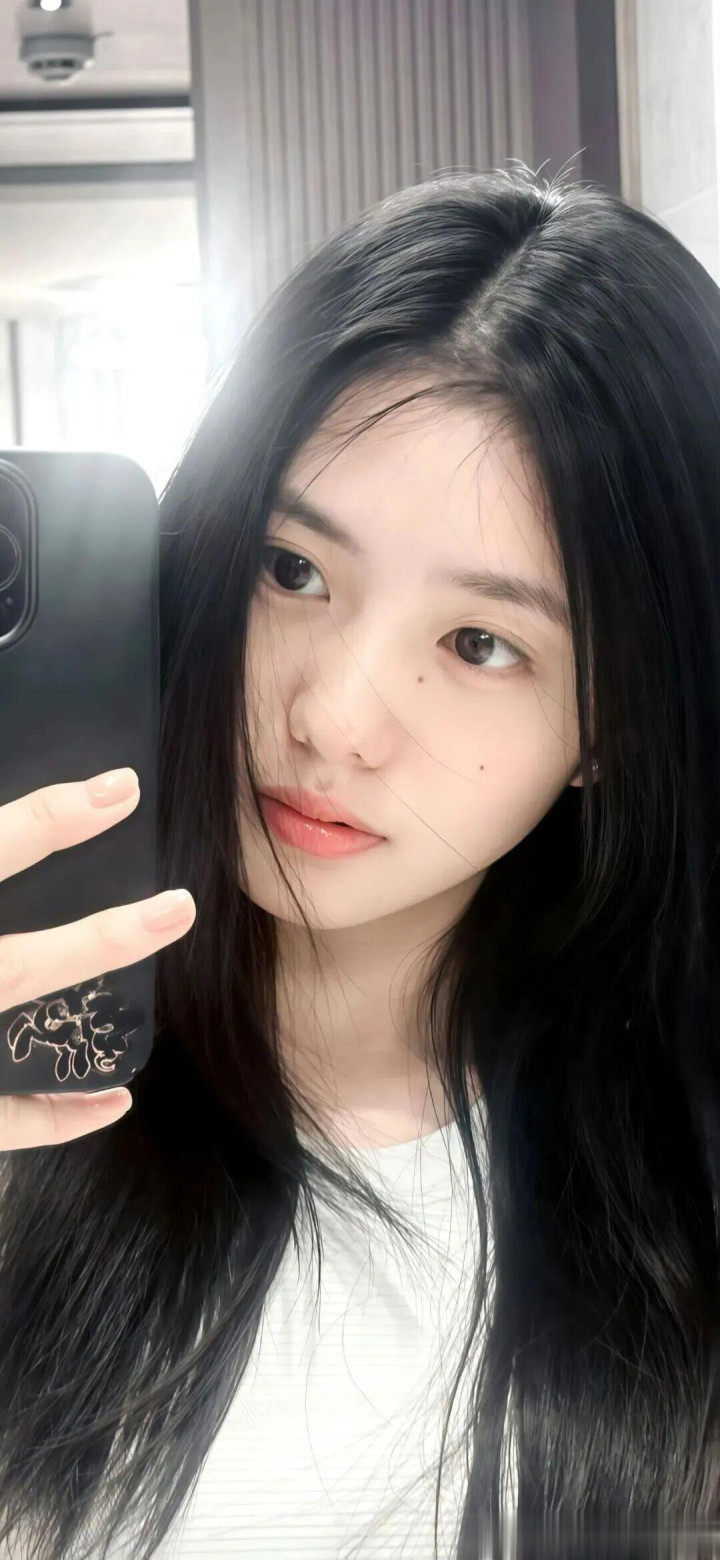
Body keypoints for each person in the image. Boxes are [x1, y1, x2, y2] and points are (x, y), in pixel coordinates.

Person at [0, 162, 717, 1560]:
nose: (332, 717)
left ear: (615, 728)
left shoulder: (676, 1208)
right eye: (291, 570)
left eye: (481, 644)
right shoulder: (39, 1080)